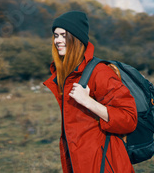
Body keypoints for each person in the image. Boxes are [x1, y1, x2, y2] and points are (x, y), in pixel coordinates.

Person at [43, 11, 138, 173]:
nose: (57, 40)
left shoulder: (99, 72)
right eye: (56, 35)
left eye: (63, 35)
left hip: (104, 164)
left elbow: (129, 119)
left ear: (76, 37)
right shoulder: (67, 74)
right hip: (78, 160)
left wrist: (89, 102)